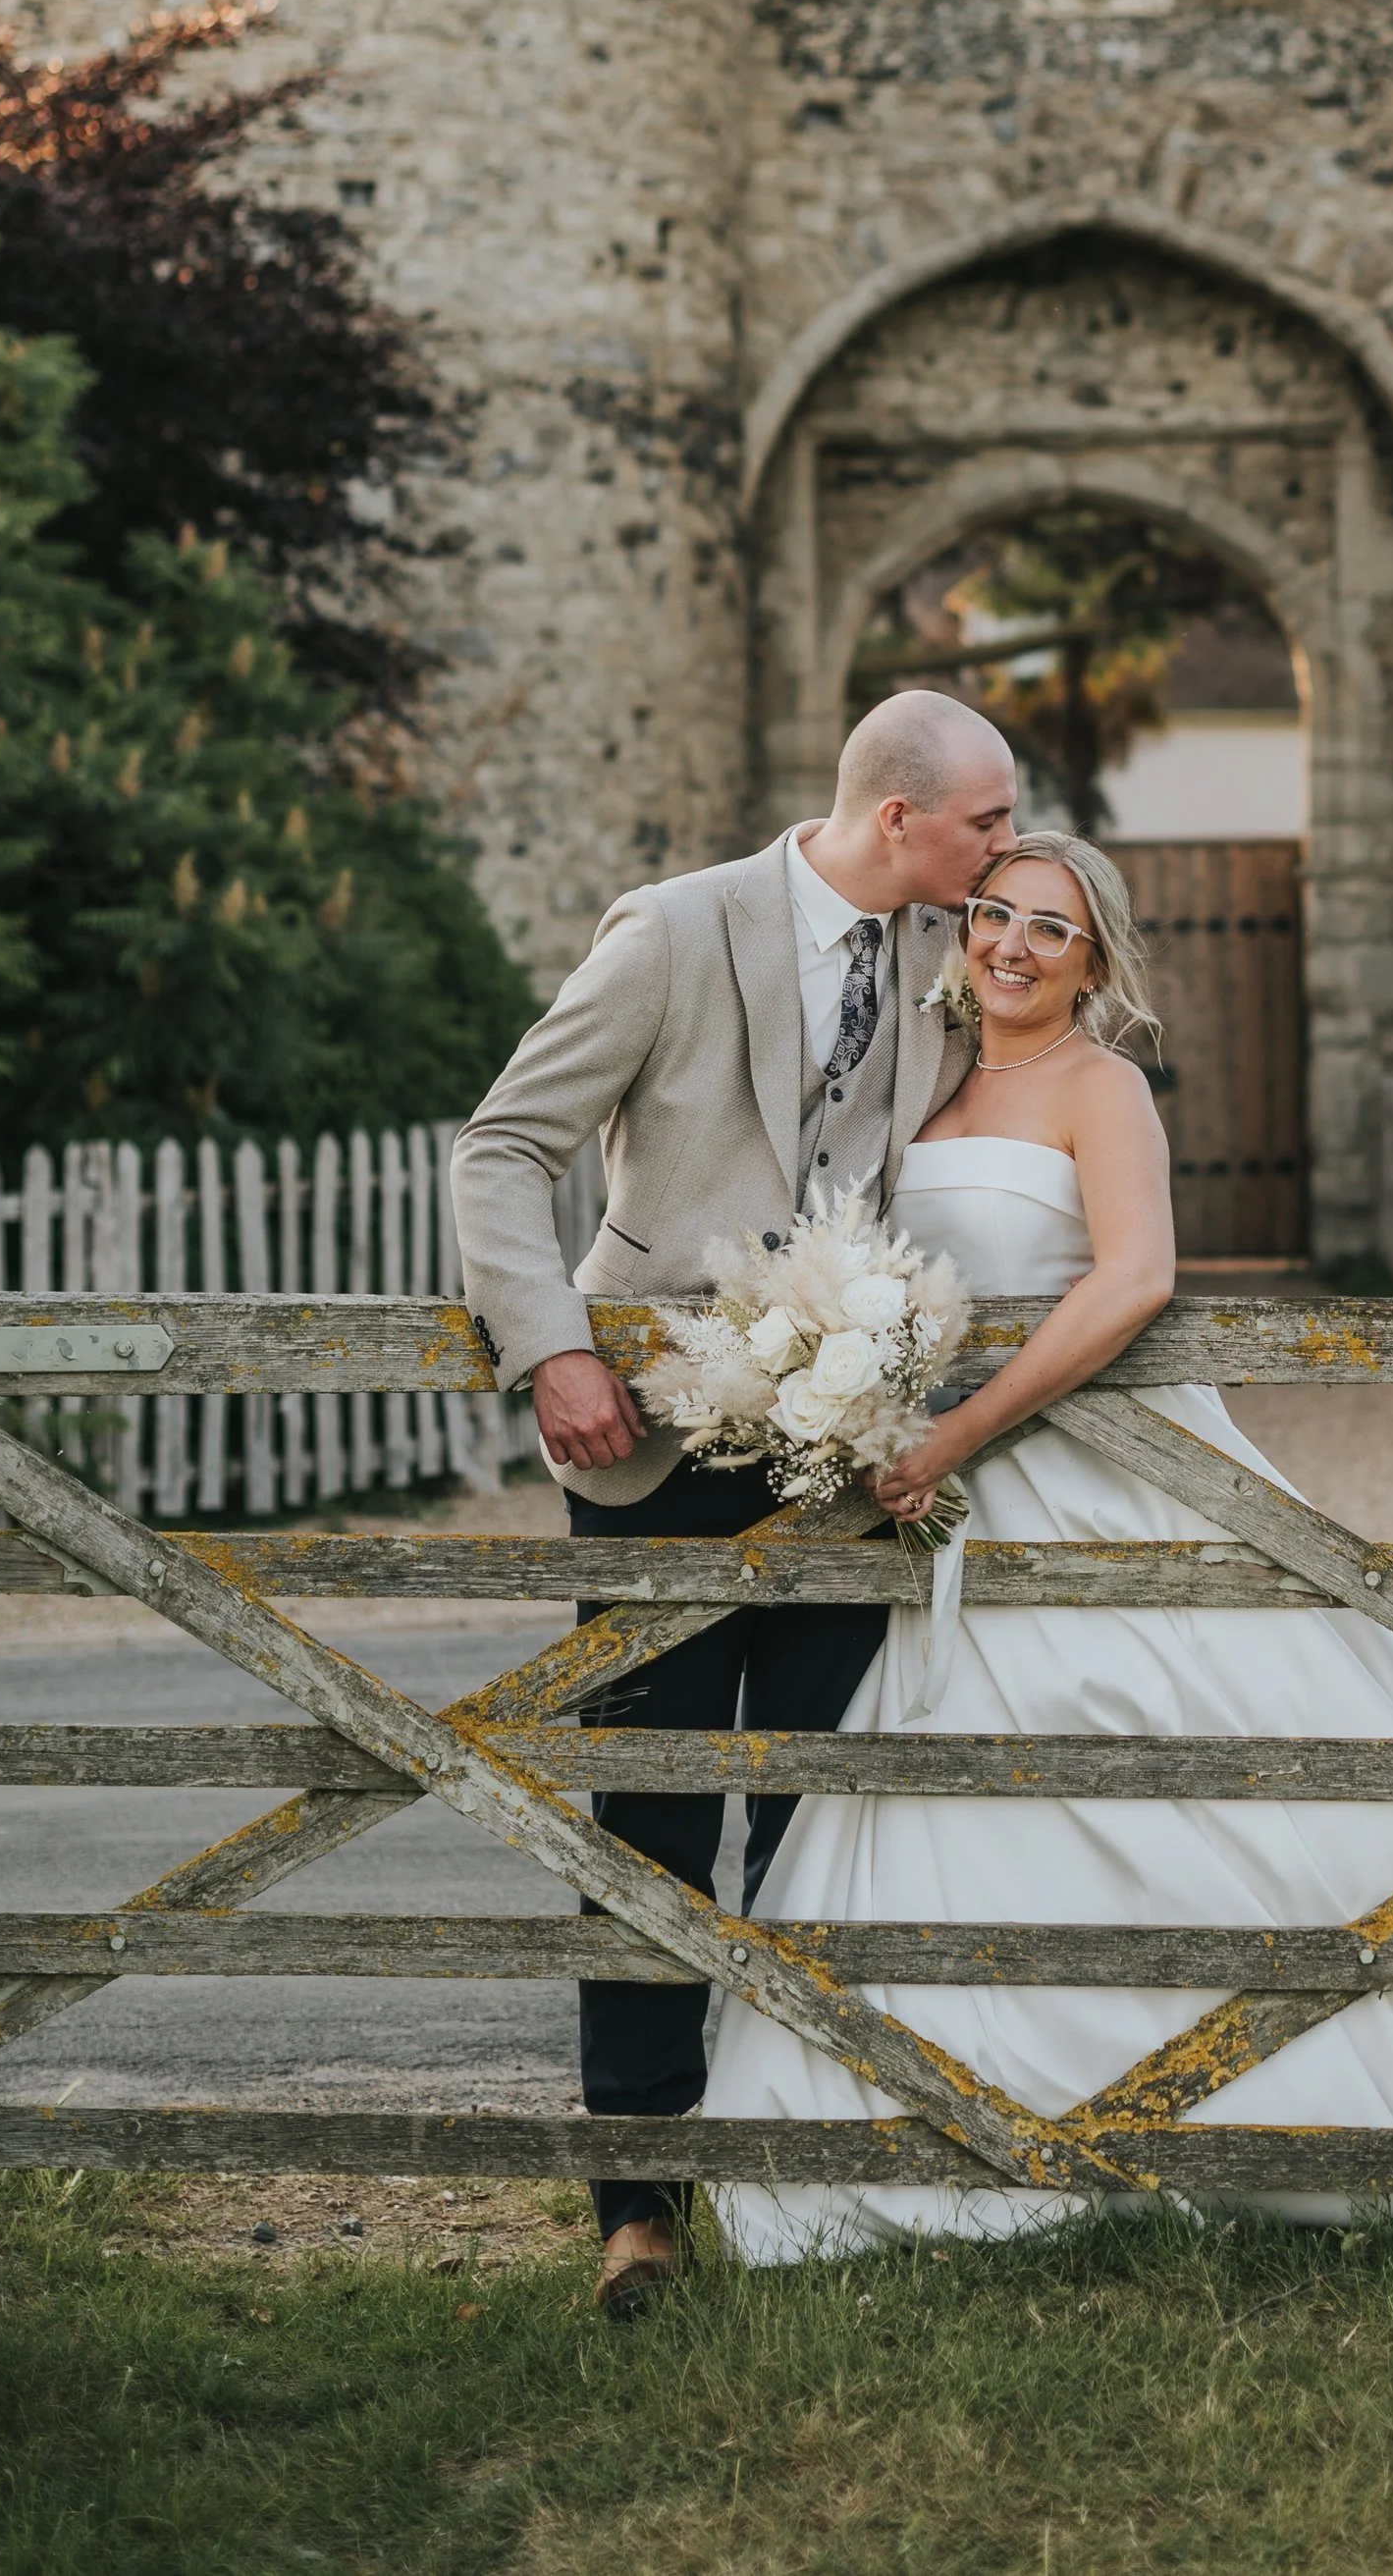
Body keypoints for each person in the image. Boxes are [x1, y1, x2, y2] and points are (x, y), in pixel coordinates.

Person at [701, 832, 1393, 2270]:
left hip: (1090, 1475)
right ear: (961, 927)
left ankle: (1293, 2125)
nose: (1015, 947)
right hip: (936, 1506)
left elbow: (1135, 1281)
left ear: (1096, 959)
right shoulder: (918, 1079)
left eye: (1052, 931)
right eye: (996, 916)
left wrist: (961, 1436)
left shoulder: (1103, 1087)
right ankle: (995, 2125)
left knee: (1204, 1763)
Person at [449, 691, 1018, 2317]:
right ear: (899, 815)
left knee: (826, 1813)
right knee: (649, 1820)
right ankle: (638, 2204)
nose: (1001, 848)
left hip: (851, 1465)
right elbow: (502, 1149)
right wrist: (551, 1348)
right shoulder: (677, 932)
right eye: (984, 819)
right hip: (646, 1453)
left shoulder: (945, 958)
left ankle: (797, 2165)